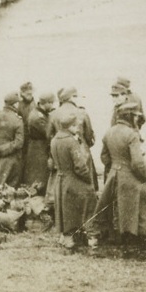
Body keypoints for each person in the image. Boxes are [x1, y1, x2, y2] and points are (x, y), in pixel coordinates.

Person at [94, 102, 146, 254]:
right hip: (130, 176)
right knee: (140, 207)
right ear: (131, 117)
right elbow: (138, 163)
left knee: (118, 209)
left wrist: (116, 166)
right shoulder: (132, 134)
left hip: (114, 174)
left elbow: (104, 157)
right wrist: (145, 175)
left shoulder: (109, 132)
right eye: (136, 117)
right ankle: (138, 246)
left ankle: (119, 240)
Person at [49, 107, 98, 250]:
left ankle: (68, 237)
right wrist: (88, 179)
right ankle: (92, 237)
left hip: (61, 179)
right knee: (90, 201)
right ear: (70, 126)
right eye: (76, 126)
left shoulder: (54, 140)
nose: (77, 129)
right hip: (74, 179)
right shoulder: (71, 142)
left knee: (66, 209)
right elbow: (80, 166)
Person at [0, 93, 25, 199]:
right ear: (15, 104)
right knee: (9, 187)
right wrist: (3, 150)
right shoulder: (18, 120)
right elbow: (19, 143)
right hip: (11, 158)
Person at [22, 92, 54, 194]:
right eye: (51, 103)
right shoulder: (39, 117)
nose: (52, 106)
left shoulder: (37, 113)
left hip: (36, 147)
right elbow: (48, 133)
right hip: (39, 149)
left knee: (37, 174)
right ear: (46, 103)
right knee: (39, 174)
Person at [10, 82, 36, 188]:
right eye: (26, 93)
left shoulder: (36, 105)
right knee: (19, 161)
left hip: (32, 137)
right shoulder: (18, 105)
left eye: (31, 92)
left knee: (30, 161)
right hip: (20, 136)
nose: (29, 94)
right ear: (22, 92)